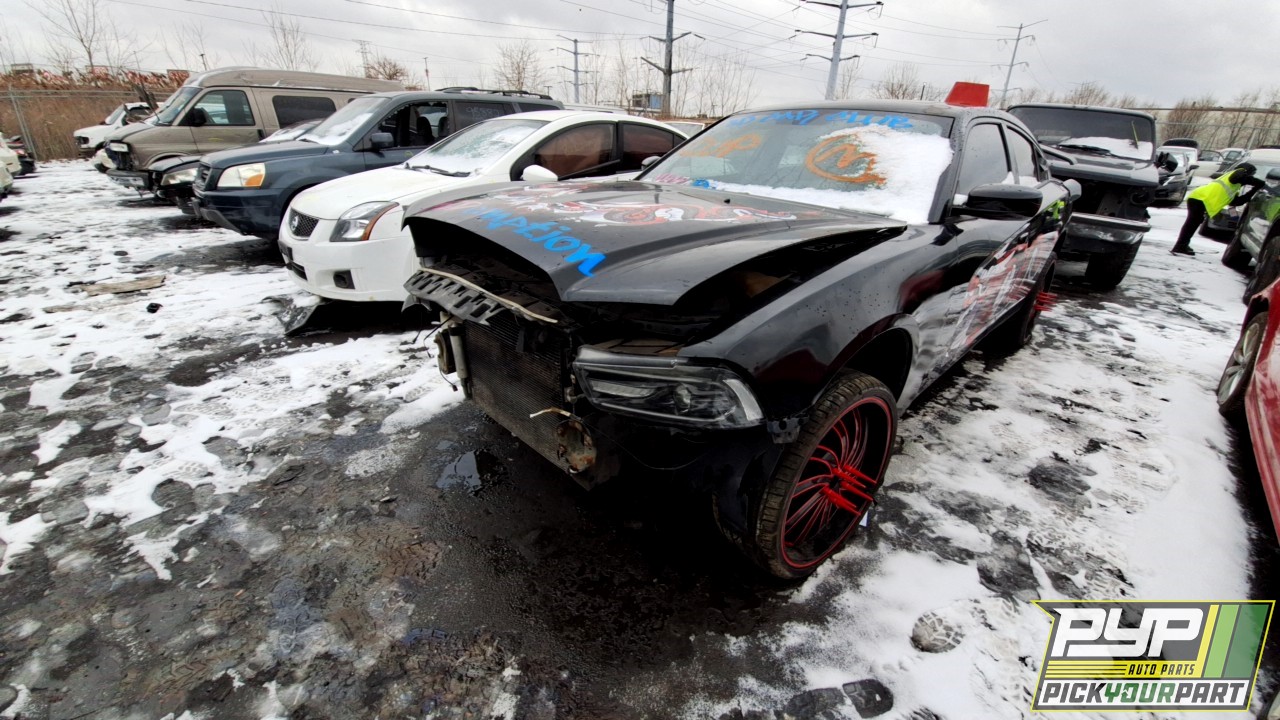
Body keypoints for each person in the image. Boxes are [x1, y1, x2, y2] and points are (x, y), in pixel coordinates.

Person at [1171, 162, 1265, 256]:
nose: (1251, 176)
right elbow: (1237, 178)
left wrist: (1255, 189)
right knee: (1191, 224)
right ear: (1247, 171)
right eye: (1251, 174)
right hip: (1200, 199)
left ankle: (1182, 245)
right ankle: (1180, 246)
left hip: (1199, 199)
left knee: (1193, 223)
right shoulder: (1238, 172)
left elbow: (1236, 202)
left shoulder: (1234, 186)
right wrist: (1257, 182)